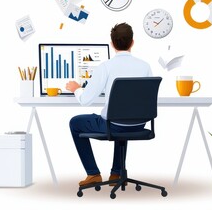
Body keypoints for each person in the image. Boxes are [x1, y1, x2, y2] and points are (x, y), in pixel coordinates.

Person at [65, 23, 153, 186]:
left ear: (112, 44)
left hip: (114, 126)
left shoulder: (106, 67)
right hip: (139, 126)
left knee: (75, 122)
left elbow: (85, 100)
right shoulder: (145, 66)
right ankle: (116, 174)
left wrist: (77, 89)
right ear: (132, 42)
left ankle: (93, 174)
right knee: (125, 117)